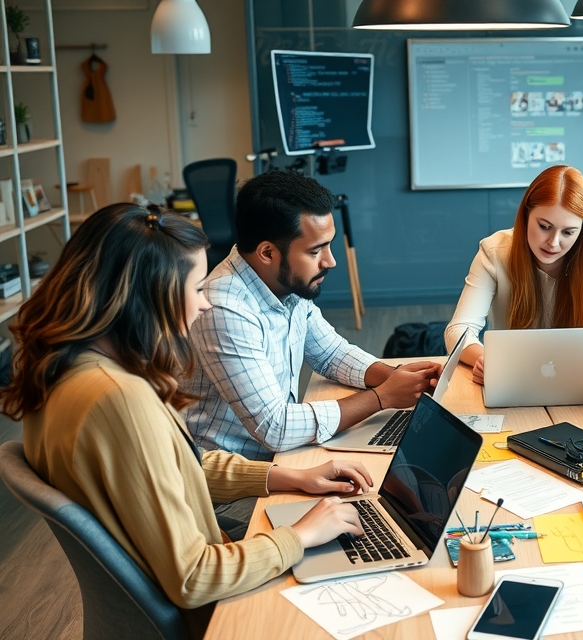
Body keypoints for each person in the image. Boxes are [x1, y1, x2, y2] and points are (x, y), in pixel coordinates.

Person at [1, 204, 368, 635]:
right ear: (150, 295)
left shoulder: (64, 369)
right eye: (196, 288)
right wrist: (300, 536)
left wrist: (287, 477)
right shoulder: (120, 399)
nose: (204, 303)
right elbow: (194, 578)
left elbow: (176, 467)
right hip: (209, 612)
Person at [183, 171, 440, 534]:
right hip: (229, 492)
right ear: (268, 252)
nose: (330, 261)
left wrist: (396, 378)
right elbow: (276, 427)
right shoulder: (225, 307)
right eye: (315, 250)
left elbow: (331, 352)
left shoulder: (282, 283)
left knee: (382, 495)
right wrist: (382, 398)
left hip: (283, 463)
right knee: (365, 519)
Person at [444, 165, 583, 384]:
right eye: (544, 226)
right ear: (526, 215)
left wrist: (568, 354)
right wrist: (486, 359)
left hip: (574, 377)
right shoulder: (494, 251)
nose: (554, 243)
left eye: (568, 232)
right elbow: (458, 330)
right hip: (512, 378)